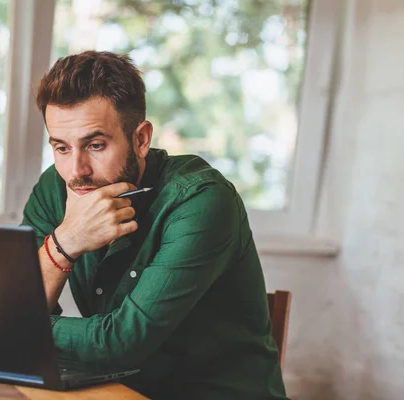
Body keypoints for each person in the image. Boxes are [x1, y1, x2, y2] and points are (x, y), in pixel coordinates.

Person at [21, 50, 288, 399]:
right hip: (114, 391)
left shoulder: (202, 200)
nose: (76, 171)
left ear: (141, 139)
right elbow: (12, 305)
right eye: (61, 148)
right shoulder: (56, 189)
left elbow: (120, 342)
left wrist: (21, 325)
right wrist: (64, 243)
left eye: (96, 145)